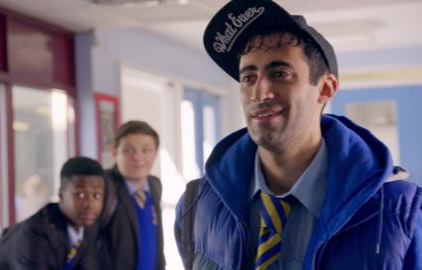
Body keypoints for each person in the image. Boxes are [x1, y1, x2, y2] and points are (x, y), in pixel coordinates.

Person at [174, 1, 422, 270]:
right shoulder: (195, 205)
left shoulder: (401, 212)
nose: (260, 92)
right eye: (248, 77)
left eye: (280, 74)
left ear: (325, 89)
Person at [0, 156, 107, 270]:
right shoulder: (34, 235)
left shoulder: (86, 229)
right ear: (61, 194)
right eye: (80, 194)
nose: (89, 204)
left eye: (96, 195)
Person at [103, 120, 165, 270]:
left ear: (155, 153)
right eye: (129, 150)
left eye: (146, 150)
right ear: (114, 152)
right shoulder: (102, 188)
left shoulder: (155, 185)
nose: (138, 157)